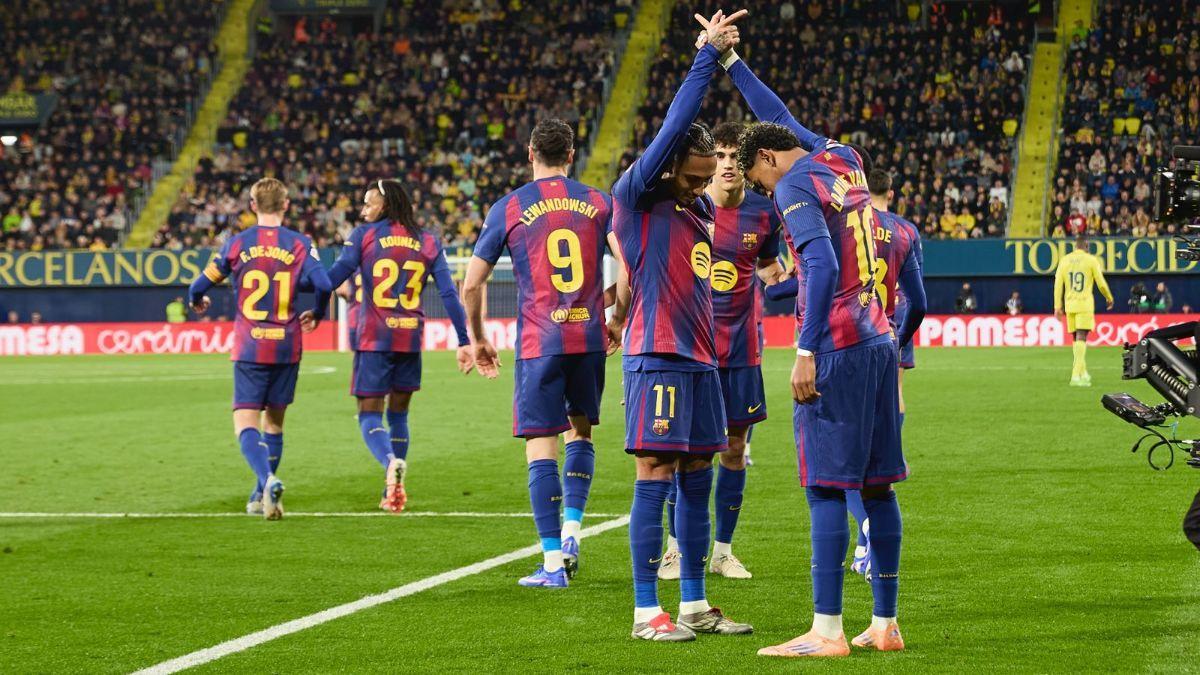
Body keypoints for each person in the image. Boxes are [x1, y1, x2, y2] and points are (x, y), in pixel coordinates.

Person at [719, 27, 906, 656]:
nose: (768, 196)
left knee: (826, 486)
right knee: (876, 485)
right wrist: (733, 61)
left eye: (760, 183)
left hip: (837, 348)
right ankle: (884, 623)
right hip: (880, 340)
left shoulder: (794, 187)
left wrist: (804, 349)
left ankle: (826, 630)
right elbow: (779, 117)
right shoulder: (845, 158)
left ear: (767, 165)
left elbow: (820, 267)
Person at [608, 10, 752, 642]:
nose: (712, 162)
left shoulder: (695, 211)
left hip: (700, 360)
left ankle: (693, 602)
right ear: (678, 159)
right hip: (657, 355)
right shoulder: (638, 194)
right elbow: (671, 129)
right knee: (656, 473)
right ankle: (647, 612)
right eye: (702, 153)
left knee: (700, 472)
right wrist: (705, 55)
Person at [462, 118, 614, 588]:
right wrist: (615, 311)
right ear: (571, 155)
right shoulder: (597, 202)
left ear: (531, 153)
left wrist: (478, 338)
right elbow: (631, 265)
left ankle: (551, 564)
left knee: (540, 447)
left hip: (539, 341)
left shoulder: (509, 207)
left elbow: (471, 284)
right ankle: (571, 535)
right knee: (581, 433)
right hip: (588, 338)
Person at [658, 121, 785, 582]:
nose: (729, 164)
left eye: (735, 156)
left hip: (742, 353)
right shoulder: (688, 209)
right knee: (682, 452)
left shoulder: (764, 213)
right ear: (711, 162)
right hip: (694, 350)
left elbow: (771, 269)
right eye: (722, 156)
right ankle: (674, 549)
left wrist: (790, 283)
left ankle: (723, 551)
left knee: (734, 451)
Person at [186, 177, 333, 519]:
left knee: (245, 422)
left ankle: (266, 480)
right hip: (287, 344)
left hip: (250, 344)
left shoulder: (237, 243)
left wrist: (197, 299)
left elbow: (199, 284)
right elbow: (324, 283)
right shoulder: (299, 243)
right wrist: (320, 312)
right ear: (286, 205)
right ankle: (259, 494)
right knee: (275, 424)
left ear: (252, 206)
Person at [326, 179, 474, 512]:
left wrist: (306, 270)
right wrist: (464, 340)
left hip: (374, 338)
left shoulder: (364, 237)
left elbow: (330, 281)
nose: (363, 210)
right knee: (400, 414)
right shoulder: (427, 241)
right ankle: (395, 490)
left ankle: (390, 462)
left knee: (369, 414)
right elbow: (449, 294)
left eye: (369, 203)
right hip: (410, 337)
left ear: (386, 204)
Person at [1053, 235, 1113, 387]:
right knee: (1081, 337)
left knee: (1075, 339)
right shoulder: (1091, 260)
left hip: (1070, 305)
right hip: (1084, 304)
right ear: (1086, 245)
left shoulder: (1064, 260)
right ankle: (1075, 375)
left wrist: (1057, 307)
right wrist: (1108, 297)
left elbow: (1058, 285)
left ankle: (1083, 373)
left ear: (1075, 246)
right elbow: (1101, 283)